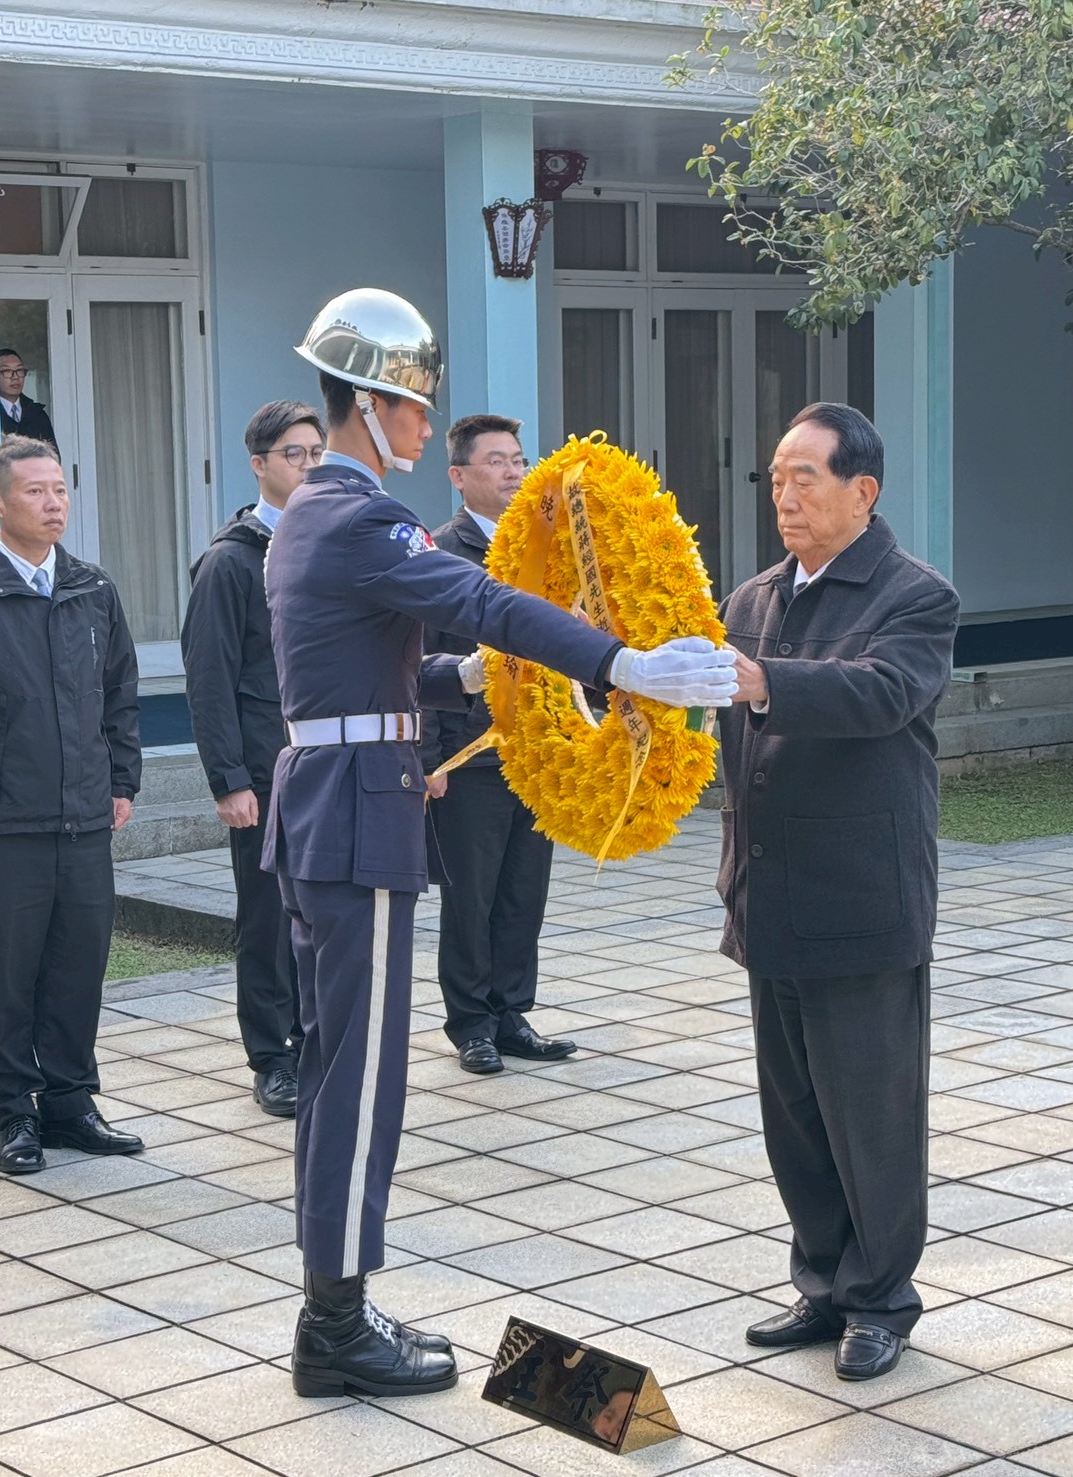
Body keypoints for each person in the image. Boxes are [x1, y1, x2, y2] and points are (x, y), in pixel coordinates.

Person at [263, 286, 739, 1401]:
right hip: (354, 818)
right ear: (372, 405)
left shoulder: (312, 518)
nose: (429, 428)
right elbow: (485, 597)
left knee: (344, 1069)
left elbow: (361, 677)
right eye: (419, 407)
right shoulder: (359, 517)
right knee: (361, 1081)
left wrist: (454, 680)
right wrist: (621, 662)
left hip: (328, 799)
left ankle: (334, 1300)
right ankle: (332, 1324)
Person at [717, 402, 959, 1382]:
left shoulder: (913, 596)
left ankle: (880, 1297)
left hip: (861, 897)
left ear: (863, 489)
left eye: (804, 476)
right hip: (769, 893)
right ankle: (820, 1279)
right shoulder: (750, 599)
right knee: (796, 1113)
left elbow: (878, 693)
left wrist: (758, 679)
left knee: (872, 1111)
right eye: (775, 477)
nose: (784, 495)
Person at [0, 436, 143, 1175]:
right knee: (8, 973)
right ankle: (15, 1112)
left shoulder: (91, 588)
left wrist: (122, 780)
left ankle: (70, 1100)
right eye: (35, 491)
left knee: (78, 963)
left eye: (61, 489)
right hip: (2, 823)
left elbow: (120, 692)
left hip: (85, 817)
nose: (53, 503)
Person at [182, 401, 323, 1117]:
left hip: (324, 768)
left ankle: (312, 1041)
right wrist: (228, 779)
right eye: (293, 454)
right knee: (267, 922)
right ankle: (271, 1057)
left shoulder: (324, 548)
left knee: (320, 916)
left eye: (315, 454)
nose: (307, 466)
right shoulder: (230, 562)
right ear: (259, 463)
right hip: (263, 778)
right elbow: (208, 682)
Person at [423, 414, 574, 1075]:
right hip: (469, 753)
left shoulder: (544, 547)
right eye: (496, 461)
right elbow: (418, 658)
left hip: (536, 747)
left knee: (523, 889)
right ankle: (471, 1024)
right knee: (473, 893)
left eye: (518, 460)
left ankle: (513, 1012)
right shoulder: (435, 555)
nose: (514, 472)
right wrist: (427, 756)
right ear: (459, 476)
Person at [0, 349, 59, 455]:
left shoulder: (37, 414)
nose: (15, 377)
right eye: (7, 371)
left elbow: (53, 456)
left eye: (20, 370)